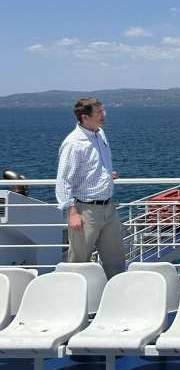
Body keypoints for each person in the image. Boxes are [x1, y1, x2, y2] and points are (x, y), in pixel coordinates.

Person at [55, 97, 125, 278]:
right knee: (79, 264)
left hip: (108, 208)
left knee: (116, 261)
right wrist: (72, 212)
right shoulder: (74, 143)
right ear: (85, 117)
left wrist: (106, 176)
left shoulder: (99, 133)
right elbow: (63, 180)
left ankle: (116, 300)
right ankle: (74, 302)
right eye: (99, 112)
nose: (104, 115)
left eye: (103, 110)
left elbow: (93, 165)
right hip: (85, 211)